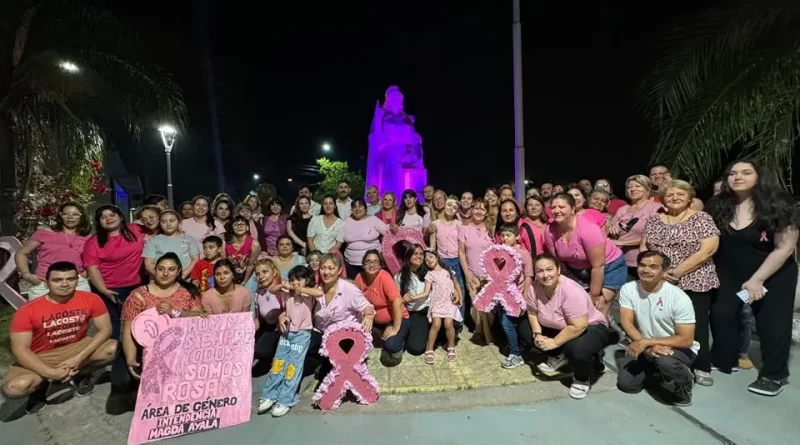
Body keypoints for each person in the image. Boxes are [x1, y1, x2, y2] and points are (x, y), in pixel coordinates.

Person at [708, 159, 799, 396]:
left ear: (759, 177)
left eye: (746, 172)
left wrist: (757, 280)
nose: (738, 177)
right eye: (732, 173)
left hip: (773, 275)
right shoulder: (718, 205)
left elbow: (784, 248)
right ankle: (724, 360)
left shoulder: (779, 205)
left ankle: (774, 375)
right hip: (731, 273)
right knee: (722, 313)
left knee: (772, 324)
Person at [1, 262, 116, 420]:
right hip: (41, 355)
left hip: (77, 347)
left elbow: (105, 330)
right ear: (46, 282)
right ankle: (40, 387)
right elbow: (20, 350)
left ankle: (81, 374)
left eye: (70, 279)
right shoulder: (27, 310)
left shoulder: (91, 299)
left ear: (77, 280)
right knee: (13, 388)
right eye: (57, 280)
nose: (65, 284)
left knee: (115, 348)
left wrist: (79, 358)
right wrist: (51, 373)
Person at [108, 253, 204, 415]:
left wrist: (174, 312)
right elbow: (127, 330)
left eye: (171, 269)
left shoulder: (187, 292)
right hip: (143, 349)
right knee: (121, 381)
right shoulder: (137, 295)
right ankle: (135, 387)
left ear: (178, 271)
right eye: (161, 269)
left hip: (179, 350)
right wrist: (131, 359)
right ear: (154, 270)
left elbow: (199, 316)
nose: (165, 273)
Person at [616, 251, 698, 407]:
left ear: (664, 271)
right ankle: (657, 372)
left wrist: (646, 342)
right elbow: (627, 322)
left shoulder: (678, 298)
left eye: (653, 267)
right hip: (646, 345)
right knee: (627, 385)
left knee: (665, 362)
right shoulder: (629, 289)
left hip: (677, 349)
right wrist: (645, 344)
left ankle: (686, 382)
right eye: (643, 265)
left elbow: (686, 339)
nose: (646, 270)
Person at [527, 254, 609, 399]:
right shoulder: (534, 288)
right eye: (540, 271)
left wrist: (554, 342)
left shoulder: (571, 290)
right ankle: (560, 355)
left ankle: (582, 378)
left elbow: (579, 326)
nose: (545, 275)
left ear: (558, 270)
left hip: (589, 327)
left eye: (549, 269)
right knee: (524, 330)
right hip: (559, 326)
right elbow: (532, 313)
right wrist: (537, 334)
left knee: (576, 350)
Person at [257, 266, 321, 417]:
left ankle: (286, 399)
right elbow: (272, 289)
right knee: (279, 363)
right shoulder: (286, 291)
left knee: (293, 366)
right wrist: (284, 285)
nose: (295, 283)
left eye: (299, 279)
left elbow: (319, 292)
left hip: (302, 334)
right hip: (286, 332)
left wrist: (302, 289)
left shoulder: (309, 293)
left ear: (307, 280)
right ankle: (269, 394)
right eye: (293, 279)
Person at [15, 201, 93, 299]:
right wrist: (27, 275)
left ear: (82, 217)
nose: (70, 217)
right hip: (45, 283)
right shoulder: (45, 233)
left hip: (77, 283)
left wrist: (89, 274)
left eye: (75, 214)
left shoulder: (87, 238)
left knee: (81, 313)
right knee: (42, 314)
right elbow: (22, 253)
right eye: (65, 214)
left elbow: (92, 260)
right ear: (60, 216)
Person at [354, 250, 411, 366]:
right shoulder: (359, 277)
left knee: (391, 347)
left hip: (397, 317)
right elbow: (355, 300)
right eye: (368, 261)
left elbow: (397, 301)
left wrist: (395, 328)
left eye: (375, 262)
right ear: (363, 264)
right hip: (374, 320)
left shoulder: (384, 276)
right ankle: (381, 334)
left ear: (381, 265)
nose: (371, 265)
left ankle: (401, 337)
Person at [496, 224, 534, 369]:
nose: (505, 238)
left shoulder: (522, 253)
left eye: (509, 235)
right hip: (502, 294)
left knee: (507, 323)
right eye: (503, 235)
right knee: (505, 322)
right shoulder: (501, 251)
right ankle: (516, 345)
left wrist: (524, 297)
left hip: (515, 295)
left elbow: (528, 275)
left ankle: (515, 354)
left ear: (517, 237)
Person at [414, 250, 462, 364]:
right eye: (426, 259)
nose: (429, 260)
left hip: (449, 302)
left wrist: (459, 296)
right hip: (437, 303)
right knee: (436, 324)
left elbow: (456, 284)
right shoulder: (429, 275)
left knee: (448, 323)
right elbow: (426, 292)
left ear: (436, 257)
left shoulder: (448, 271)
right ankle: (429, 348)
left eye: (431, 257)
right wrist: (412, 297)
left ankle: (451, 346)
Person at [142, 210, 199, 280]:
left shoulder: (189, 239)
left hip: (184, 281)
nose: (168, 224)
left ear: (178, 221)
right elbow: (148, 264)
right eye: (163, 222)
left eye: (172, 221)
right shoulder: (154, 241)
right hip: (160, 282)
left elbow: (195, 259)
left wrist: (183, 274)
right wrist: (162, 276)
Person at [395, 243, 430, 356]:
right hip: (416, 312)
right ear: (408, 256)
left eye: (421, 254)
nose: (419, 256)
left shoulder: (429, 272)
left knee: (452, 324)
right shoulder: (400, 276)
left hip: (432, 309)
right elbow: (396, 300)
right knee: (416, 349)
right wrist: (403, 299)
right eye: (415, 253)